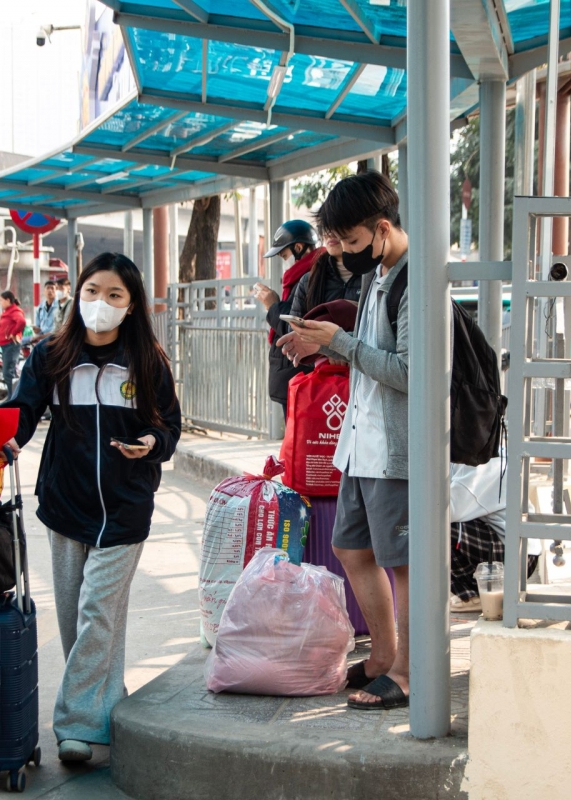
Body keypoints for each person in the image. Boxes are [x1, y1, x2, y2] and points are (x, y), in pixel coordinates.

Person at [3, 252, 181, 763]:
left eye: (114, 295)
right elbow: (21, 413)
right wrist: (1, 440)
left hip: (126, 509)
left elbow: (169, 426)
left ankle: (75, 725)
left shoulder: (147, 361)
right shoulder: (50, 357)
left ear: (131, 306)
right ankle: (107, 706)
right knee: (77, 618)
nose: (99, 303)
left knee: (96, 611)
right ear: (77, 295)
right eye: (91, 292)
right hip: (66, 504)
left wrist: (151, 443)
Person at [277, 171, 411, 710]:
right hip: (362, 443)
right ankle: (382, 655)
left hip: (395, 449)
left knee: (402, 562)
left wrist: (343, 343)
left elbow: (410, 371)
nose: (344, 254)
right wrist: (324, 347)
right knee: (351, 547)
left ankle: (406, 673)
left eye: (350, 242)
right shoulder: (376, 275)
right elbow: (369, 356)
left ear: (381, 229)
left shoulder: (414, 280)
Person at [448, 455, 539, 612]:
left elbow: (448, 509)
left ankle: (472, 596)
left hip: (517, 557)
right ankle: (475, 592)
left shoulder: (484, 462)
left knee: (436, 529)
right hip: (513, 548)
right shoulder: (478, 455)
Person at [251, 220, 324, 418]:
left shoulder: (312, 275)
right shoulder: (299, 275)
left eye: (284, 255)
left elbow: (295, 324)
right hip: (292, 374)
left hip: (298, 372)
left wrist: (273, 305)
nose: (284, 262)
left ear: (299, 248)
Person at [0, 290, 27, 393]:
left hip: (11, 345)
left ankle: (12, 397)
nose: (0, 303)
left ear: (8, 300)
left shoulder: (14, 311)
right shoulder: (7, 312)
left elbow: (21, 322)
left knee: (8, 373)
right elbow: (3, 328)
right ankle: (11, 396)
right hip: (5, 346)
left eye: (1, 301)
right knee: (8, 373)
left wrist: (13, 333)